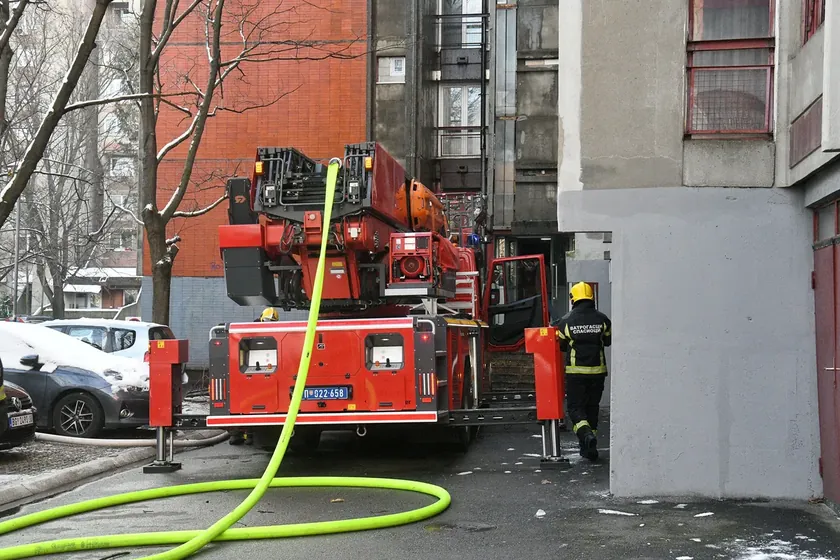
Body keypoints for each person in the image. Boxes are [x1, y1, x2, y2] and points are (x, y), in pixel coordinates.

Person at [552, 282, 611, 462]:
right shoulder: (603, 319)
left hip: (576, 374)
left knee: (575, 408)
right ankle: (589, 450)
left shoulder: (566, 321)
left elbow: (561, 346)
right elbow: (608, 341)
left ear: (573, 299)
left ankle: (586, 435)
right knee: (592, 408)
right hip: (598, 372)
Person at [229, 307, 279, 446]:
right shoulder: (251, 333)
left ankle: (248, 435)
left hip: (258, 374)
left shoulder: (264, 333)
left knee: (255, 404)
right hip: (248, 373)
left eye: (271, 323)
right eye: (267, 321)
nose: (268, 325)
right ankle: (238, 434)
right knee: (247, 404)